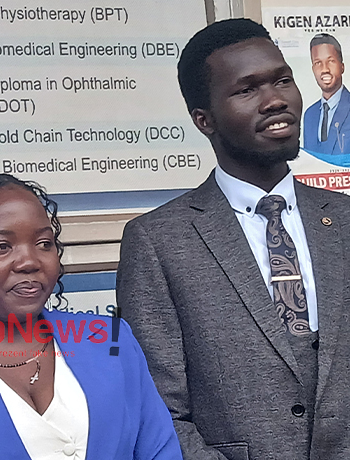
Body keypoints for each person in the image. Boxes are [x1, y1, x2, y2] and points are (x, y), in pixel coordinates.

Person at [117, 19, 350, 460]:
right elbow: (157, 410)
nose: (276, 100)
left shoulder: (344, 220)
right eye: (247, 90)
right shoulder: (158, 242)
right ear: (203, 120)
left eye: (283, 80)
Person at [0, 173, 182, 460]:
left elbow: (160, 452)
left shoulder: (111, 339)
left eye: (44, 243)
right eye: (2, 247)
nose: (29, 262)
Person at [303, 33, 349, 155]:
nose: (325, 69)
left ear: (342, 67)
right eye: (318, 63)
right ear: (313, 69)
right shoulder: (310, 115)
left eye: (331, 61)